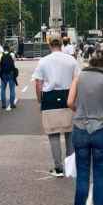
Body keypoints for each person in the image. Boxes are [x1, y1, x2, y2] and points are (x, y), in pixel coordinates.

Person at [67, 54, 103, 205]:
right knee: (100, 173)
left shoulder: (78, 77)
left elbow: (69, 101)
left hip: (80, 129)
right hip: (100, 129)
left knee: (82, 172)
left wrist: (79, 111)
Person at [32, 37, 79, 177]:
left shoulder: (44, 61)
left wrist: (40, 99)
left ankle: (58, 168)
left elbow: (38, 83)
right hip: (68, 96)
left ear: (49, 45)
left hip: (50, 98)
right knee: (70, 134)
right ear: (61, 44)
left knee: (53, 135)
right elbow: (77, 80)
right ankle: (70, 167)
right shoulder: (71, 60)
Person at [0, 44, 17, 110]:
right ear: (9, 49)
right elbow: (14, 62)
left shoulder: (0, 55)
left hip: (3, 73)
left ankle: (3, 104)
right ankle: (12, 104)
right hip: (11, 73)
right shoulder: (12, 54)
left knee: (3, 89)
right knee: (12, 89)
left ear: (3, 49)